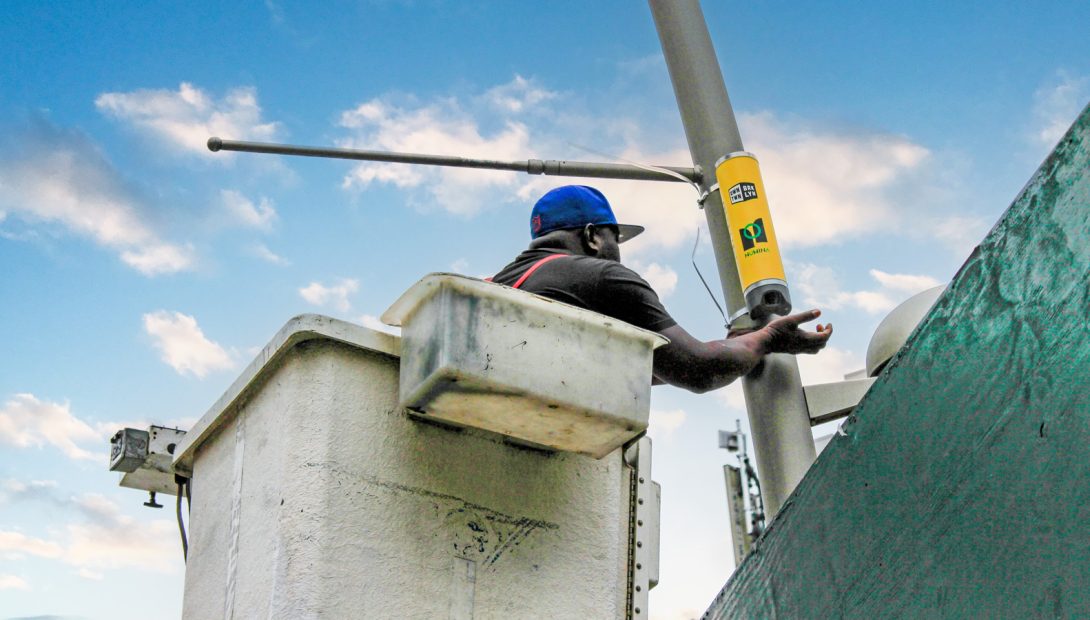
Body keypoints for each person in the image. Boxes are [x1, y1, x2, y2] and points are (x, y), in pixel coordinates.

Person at [490, 185, 832, 393]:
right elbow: (698, 370)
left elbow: (649, 367)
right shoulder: (603, 277)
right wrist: (769, 339)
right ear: (592, 236)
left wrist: (735, 345)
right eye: (615, 239)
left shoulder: (501, 285)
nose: (618, 252)